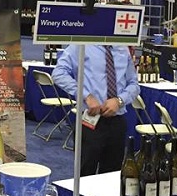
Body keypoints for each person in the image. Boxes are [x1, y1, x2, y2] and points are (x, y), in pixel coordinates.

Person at [52, 44, 140, 175]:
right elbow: (58, 74)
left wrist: (119, 100)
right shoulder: (81, 46)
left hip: (117, 121)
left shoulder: (122, 48)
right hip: (90, 120)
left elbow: (134, 84)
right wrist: (85, 95)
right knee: (85, 174)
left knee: (112, 175)